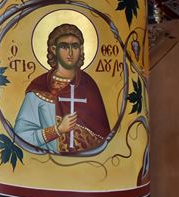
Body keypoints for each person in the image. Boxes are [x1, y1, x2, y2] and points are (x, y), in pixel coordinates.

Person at [13, 24, 110, 153]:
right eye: (64, 46)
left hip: (87, 166)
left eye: (75, 46)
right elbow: (21, 136)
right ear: (54, 49)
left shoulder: (89, 86)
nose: (70, 53)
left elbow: (103, 139)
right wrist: (57, 130)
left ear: (81, 49)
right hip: (48, 165)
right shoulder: (39, 88)